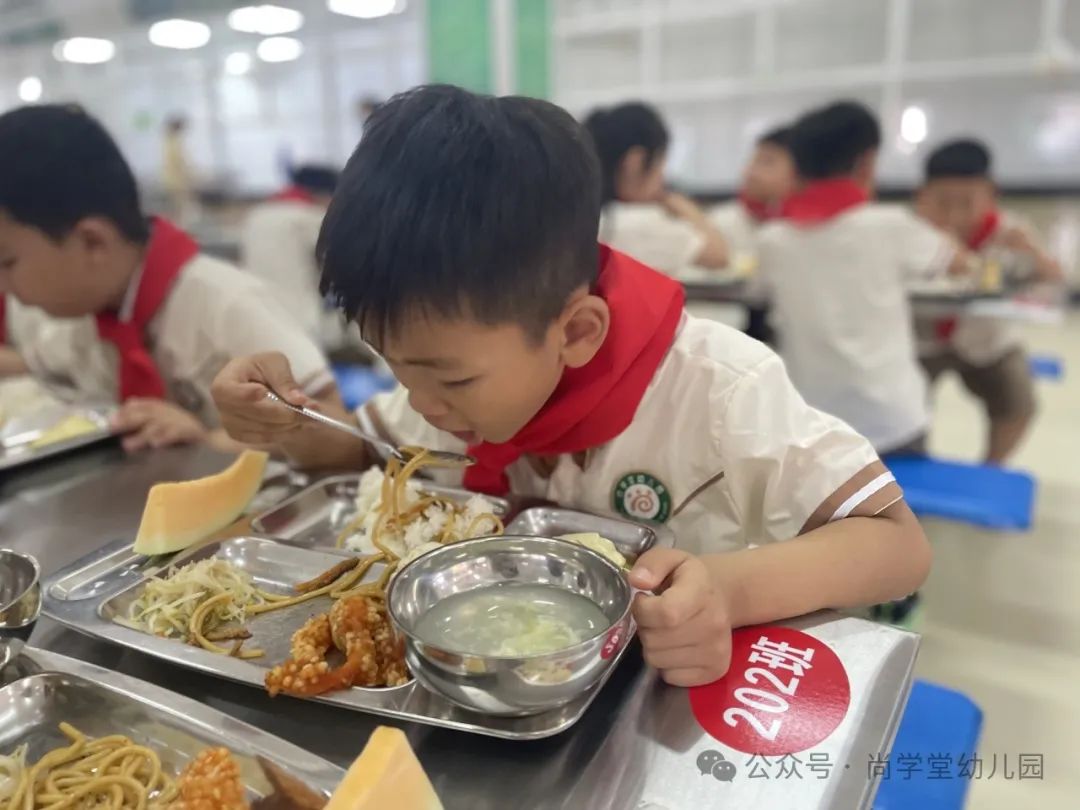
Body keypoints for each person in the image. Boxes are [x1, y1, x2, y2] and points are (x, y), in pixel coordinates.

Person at [211, 85, 931, 686]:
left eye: (450, 377)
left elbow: (897, 548)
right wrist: (281, 421)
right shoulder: (444, 391)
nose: (423, 403)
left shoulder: (717, 389)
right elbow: (358, 454)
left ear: (576, 332)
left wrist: (726, 590)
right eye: (394, 366)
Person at [0, 104, 339, 452]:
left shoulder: (224, 304)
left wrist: (207, 441)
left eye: (7, 263)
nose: (2, 287)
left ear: (93, 242)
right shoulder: (81, 325)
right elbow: (32, 362)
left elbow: (336, 424)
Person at [756, 101, 970, 457]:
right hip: (894, 423)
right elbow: (960, 263)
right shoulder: (891, 225)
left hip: (814, 425)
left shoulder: (773, 240)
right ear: (867, 162)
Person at [915, 139, 1063, 464]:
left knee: (1019, 401)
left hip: (990, 340)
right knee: (899, 404)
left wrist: (1033, 254)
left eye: (967, 202)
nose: (954, 214)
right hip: (922, 340)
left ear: (990, 194)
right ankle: (909, 466)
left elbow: (1054, 278)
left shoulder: (1010, 231)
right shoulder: (911, 232)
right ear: (922, 196)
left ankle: (992, 466)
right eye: (942, 202)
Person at [583, 102, 729, 274]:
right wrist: (681, 205)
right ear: (635, 163)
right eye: (660, 164)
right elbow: (719, 256)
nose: (662, 178)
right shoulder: (639, 222)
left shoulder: (583, 215)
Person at [710, 125, 796, 343]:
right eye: (753, 160)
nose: (750, 172)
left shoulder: (804, 230)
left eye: (767, 162)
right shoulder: (720, 223)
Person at [241, 164, 343, 345]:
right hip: (302, 326)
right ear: (323, 195)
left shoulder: (257, 215)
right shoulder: (309, 217)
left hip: (257, 320)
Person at [161, 114, 198, 227]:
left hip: (173, 180)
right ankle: (182, 228)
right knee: (181, 209)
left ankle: (180, 226)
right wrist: (192, 177)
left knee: (179, 209)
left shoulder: (169, 142)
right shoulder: (174, 143)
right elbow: (181, 164)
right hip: (178, 182)